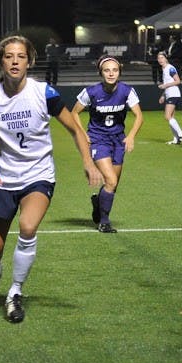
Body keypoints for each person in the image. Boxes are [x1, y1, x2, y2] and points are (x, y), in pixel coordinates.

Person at [0, 35, 102, 323]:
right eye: (9, 56)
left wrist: (87, 161)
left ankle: (15, 293)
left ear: (29, 61)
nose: (15, 61)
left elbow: (75, 129)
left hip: (38, 175)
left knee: (27, 226)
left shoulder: (44, 92)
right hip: (3, 178)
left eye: (21, 56)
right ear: (1, 61)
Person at [71, 55, 143, 233]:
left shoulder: (127, 91)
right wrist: (83, 134)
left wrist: (131, 136)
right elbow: (74, 113)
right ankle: (104, 222)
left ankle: (98, 202)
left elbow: (139, 116)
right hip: (98, 140)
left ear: (119, 72)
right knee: (110, 180)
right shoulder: (91, 92)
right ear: (101, 73)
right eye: (107, 70)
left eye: (115, 70)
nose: (111, 74)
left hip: (118, 140)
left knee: (113, 184)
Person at [156, 51, 182, 144]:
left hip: (174, 94)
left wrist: (165, 86)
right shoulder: (164, 69)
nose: (160, 60)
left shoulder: (170, 68)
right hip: (170, 94)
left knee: (167, 116)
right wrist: (163, 95)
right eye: (158, 58)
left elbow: (178, 81)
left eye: (162, 58)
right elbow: (167, 83)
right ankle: (176, 139)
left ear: (166, 58)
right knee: (171, 117)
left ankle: (181, 134)